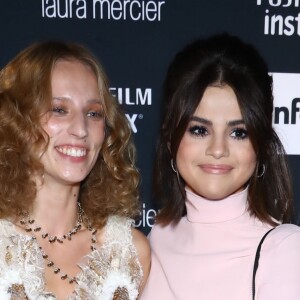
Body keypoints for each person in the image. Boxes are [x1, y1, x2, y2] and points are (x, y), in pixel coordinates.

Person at [140, 33, 300, 300]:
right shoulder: (156, 239)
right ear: (170, 140)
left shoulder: (284, 249)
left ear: (260, 144)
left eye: (239, 133)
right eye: (199, 130)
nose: (217, 149)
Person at [0, 41, 150, 299]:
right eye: (59, 110)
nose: (81, 129)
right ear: (17, 121)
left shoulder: (129, 251)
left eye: (93, 113)